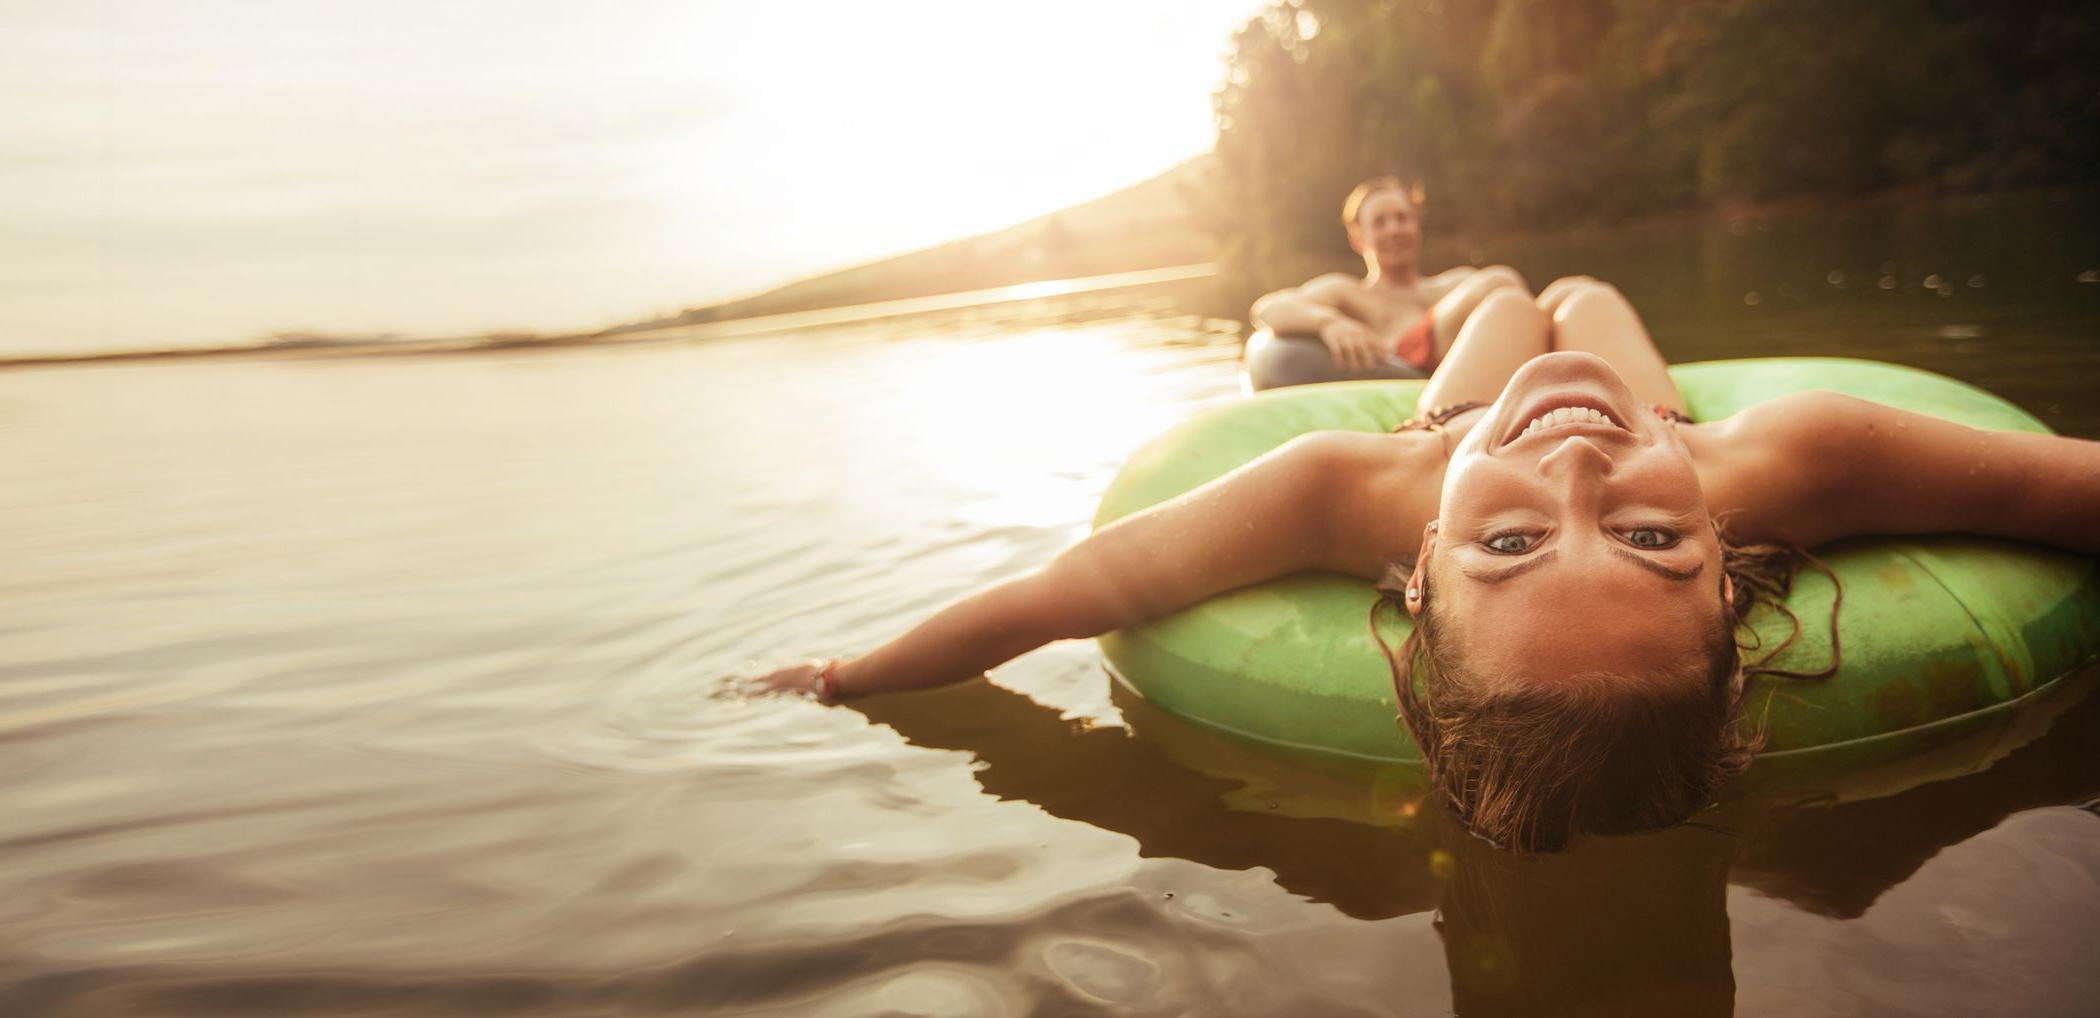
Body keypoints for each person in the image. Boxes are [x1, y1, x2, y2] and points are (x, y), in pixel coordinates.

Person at [749, 277, 2100, 852]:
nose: (1577, 480)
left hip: (1457, 428)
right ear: (1730, 568)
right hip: (1667, 422)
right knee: (1579, 315)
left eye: (1510, 547)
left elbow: (1064, 594)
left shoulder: (1346, 491)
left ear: (1421, 574)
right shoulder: (1790, 461)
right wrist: (1638, 459)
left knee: (1527, 310)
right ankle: (1480, 298)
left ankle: (1474, 311)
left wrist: (842, 675)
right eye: (1651, 540)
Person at [1249, 176, 1527, 375]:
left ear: (1417, 227)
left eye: (1402, 218)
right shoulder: (1347, 292)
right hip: (1406, 362)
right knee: (1500, 282)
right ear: (1358, 239)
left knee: (1567, 294)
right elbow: (1268, 308)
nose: (1394, 229)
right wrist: (1329, 323)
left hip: (1475, 356)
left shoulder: (1455, 283)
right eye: (1380, 223)